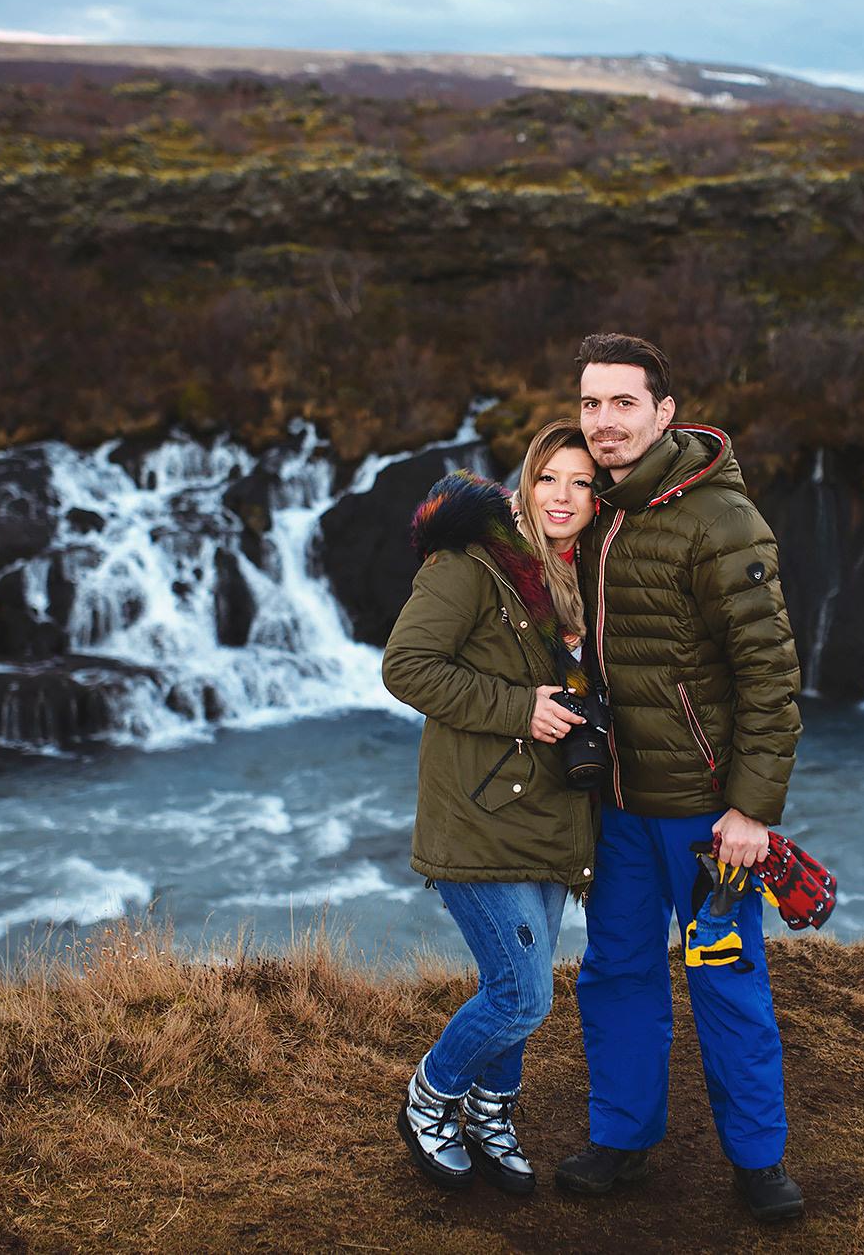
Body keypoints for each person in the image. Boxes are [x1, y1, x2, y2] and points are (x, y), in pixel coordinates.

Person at [555, 333, 807, 1221]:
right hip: (618, 808)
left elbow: (770, 676)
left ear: (664, 412)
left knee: (723, 972)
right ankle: (622, 1141)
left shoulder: (719, 518)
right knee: (616, 973)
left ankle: (758, 1161)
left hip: (704, 821)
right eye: (591, 404)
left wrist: (751, 810)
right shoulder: (589, 507)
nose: (604, 421)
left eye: (623, 403)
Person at [381, 421, 600, 1194]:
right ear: (523, 487)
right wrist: (517, 708)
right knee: (522, 992)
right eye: (549, 480)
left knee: (522, 983)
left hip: (549, 817)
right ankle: (431, 1099)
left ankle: (492, 1108)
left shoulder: (582, 582)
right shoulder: (470, 564)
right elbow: (406, 667)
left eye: (581, 482)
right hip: (477, 817)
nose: (564, 497)